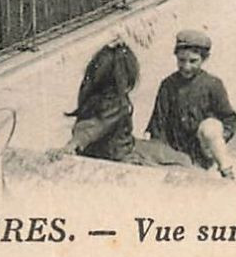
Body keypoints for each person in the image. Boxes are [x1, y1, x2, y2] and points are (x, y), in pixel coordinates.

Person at [60, 40, 192, 168]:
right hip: (122, 154)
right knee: (182, 161)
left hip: (119, 146)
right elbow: (92, 127)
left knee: (163, 151)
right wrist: (73, 144)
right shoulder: (116, 103)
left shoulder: (91, 95)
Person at [146, 30, 236, 178]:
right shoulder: (168, 85)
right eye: (181, 60)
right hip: (175, 149)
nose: (186, 66)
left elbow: (229, 119)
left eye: (193, 61)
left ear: (204, 59)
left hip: (202, 149)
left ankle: (227, 171)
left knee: (210, 127)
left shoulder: (213, 85)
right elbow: (159, 123)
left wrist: (216, 141)